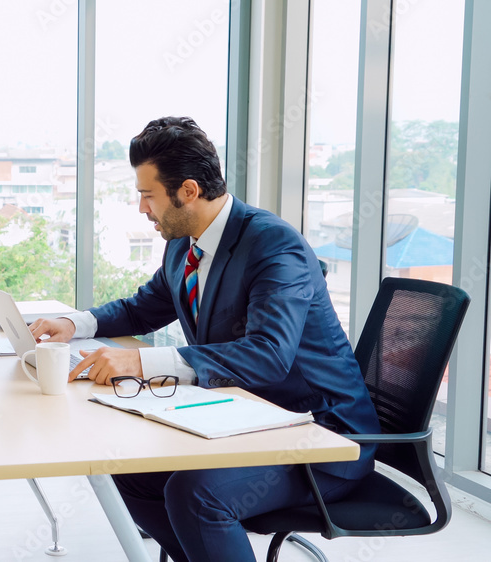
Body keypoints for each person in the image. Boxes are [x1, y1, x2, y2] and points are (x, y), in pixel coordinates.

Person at [30, 117, 380, 562]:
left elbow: (269, 355)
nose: (142, 209)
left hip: (323, 436)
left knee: (196, 493)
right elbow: (145, 306)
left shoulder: (274, 246)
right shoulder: (183, 241)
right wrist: (75, 324)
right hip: (245, 418)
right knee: (127, 470)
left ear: (189, 191)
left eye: (147, 196)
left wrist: (141, 364)